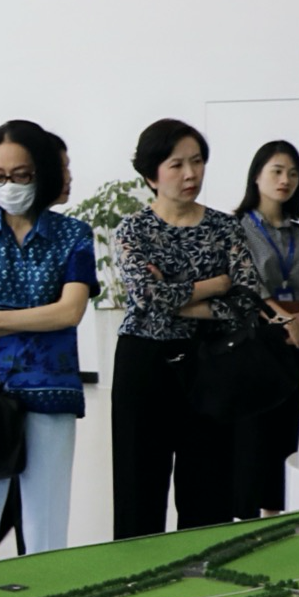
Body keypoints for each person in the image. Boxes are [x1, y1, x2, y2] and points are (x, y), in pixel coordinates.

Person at [0, 121, 97, 564]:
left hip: (50, 390)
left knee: (46, 524)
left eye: (21, 175)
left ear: (42, 173)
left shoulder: (74, 235)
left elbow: (69, 311)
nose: (9, 185)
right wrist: (34, 317)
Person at [110, 119, 263, 538]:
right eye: (176, 165)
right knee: (138, 484)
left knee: (209, 486)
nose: (190, 173)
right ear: (151, 175)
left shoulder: (225, 227)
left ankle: (202, 571)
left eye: (197, 162)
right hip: (145, 361)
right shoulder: (133, 230)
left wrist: (176, 297)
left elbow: (247, 301)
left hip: (211, 362)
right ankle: (137, 571)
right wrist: (216, 284)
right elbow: (147, 296)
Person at [231, 140, 299, 518]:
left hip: (298, 340)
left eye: (293, 173)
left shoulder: (298, 234)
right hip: (257, 339)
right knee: (251, 432)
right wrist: (288, 320)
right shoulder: (237, 229)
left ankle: (274, 513)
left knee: (286, 431)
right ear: (256, 177)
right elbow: (246, 286)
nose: (285, 180)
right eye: (276, 171)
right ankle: (244, 517)